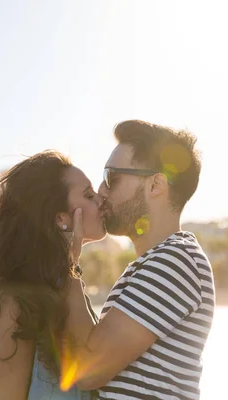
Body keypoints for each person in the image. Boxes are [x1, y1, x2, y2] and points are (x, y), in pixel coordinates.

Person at [65, 120, 215, 399]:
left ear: (156, 185)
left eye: (112, 178)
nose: (100, 190)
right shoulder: (156, 263)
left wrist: (69, 266)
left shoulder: (174, 262)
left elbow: (87, 370)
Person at [0, 150, 106, 400]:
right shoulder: (16, 300)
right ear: (60, 218)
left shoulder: (56, 285)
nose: (101, 200)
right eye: (88, 195)